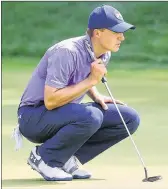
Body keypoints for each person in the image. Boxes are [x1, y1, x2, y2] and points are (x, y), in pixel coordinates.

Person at [12, 4, 140, 181]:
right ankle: (45, 158)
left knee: (128, 118)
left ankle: (66, 159)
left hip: (61, 114)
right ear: (97, 33)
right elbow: (50, 100)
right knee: (92, 116)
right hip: (33, 117)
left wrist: (95, 94)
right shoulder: (67, 52)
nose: (122, 37)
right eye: (116, 32)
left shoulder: (104, 53)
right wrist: (91, 81)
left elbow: (80, 77)